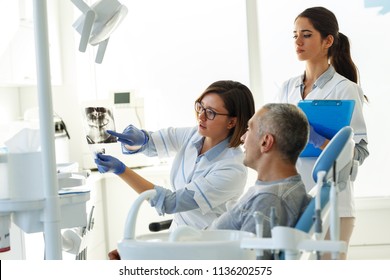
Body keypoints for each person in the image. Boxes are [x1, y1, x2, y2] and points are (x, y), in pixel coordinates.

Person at [95, 80, 255, 231]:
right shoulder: (194, 135)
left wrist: (121, 170)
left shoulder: (232, 169)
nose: (201, 116)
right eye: (201, 107)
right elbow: (152, 143)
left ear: (232, 122)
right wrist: (138, 140)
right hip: (179, 235)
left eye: (211, 112)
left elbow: (170, 203)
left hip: (207, 243)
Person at [275, 6, 369, 259]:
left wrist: (321, 142)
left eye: (306, 34)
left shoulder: (345, 89)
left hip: (334, 207)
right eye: (295, 35)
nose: (298, 41)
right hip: (292, 201)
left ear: (328, 40)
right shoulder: (286, 88)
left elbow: (360, 149)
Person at [208, 103, 311, 260]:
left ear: (266, 142)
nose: (242, 138)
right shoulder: (281, 188)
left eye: (249, 129)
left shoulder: (268, 201)